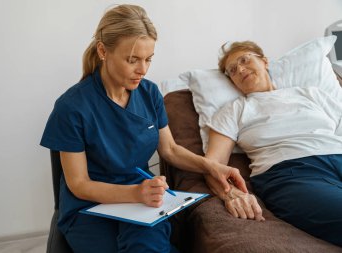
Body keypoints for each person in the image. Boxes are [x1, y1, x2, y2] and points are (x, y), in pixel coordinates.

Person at [40, 5, 247, 253]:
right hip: (89, 207)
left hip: (144, 200)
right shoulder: (72, 107)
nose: (143, 69)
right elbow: (79, 184)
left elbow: (169, 149)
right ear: (103, 51)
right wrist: (135, 193)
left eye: (148, 59)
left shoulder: (149, 93)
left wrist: (212, 166)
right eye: (132, 60)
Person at [204, 40, 342, 247]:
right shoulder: (234, 110)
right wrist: (230, 194)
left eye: (244, 59)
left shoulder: (311, 94)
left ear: (265, 61)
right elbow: (212, 164)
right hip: (292, 174)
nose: (240, 69)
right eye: (232, 70)